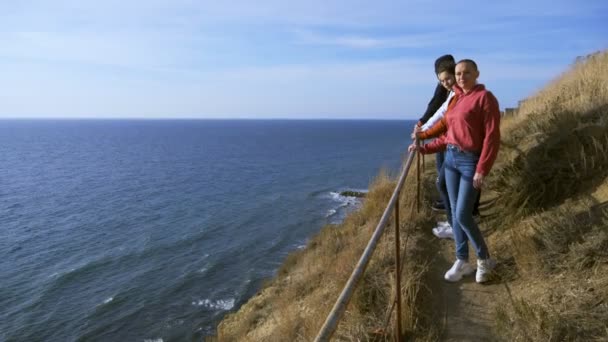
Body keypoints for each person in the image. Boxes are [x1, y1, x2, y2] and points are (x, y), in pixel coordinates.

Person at [409, 59, 500, 283]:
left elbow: (492, 137)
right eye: (458, 73)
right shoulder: (456, 98)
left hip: (470, 162)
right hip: (450, 159)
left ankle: (484, 259)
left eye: (466, 72)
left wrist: (482, 169)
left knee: (462, 214)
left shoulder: (485, 98)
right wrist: (423, 147)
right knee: (455, 212)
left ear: (477, 73)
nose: (461, 77)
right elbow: (448, 136)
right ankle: (462, 260)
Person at [411, 54, 456, 212]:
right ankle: (451, 208)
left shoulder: (459, 93)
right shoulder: (451, 91)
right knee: (444, 180)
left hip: (457, 145)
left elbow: (439, 111)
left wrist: (422, 130)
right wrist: (422, 127)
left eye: (447, 79)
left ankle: (455, 213)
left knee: (446, 181)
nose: (445, 83)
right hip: (448, 139)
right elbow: (440, 110)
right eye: (441, 80)